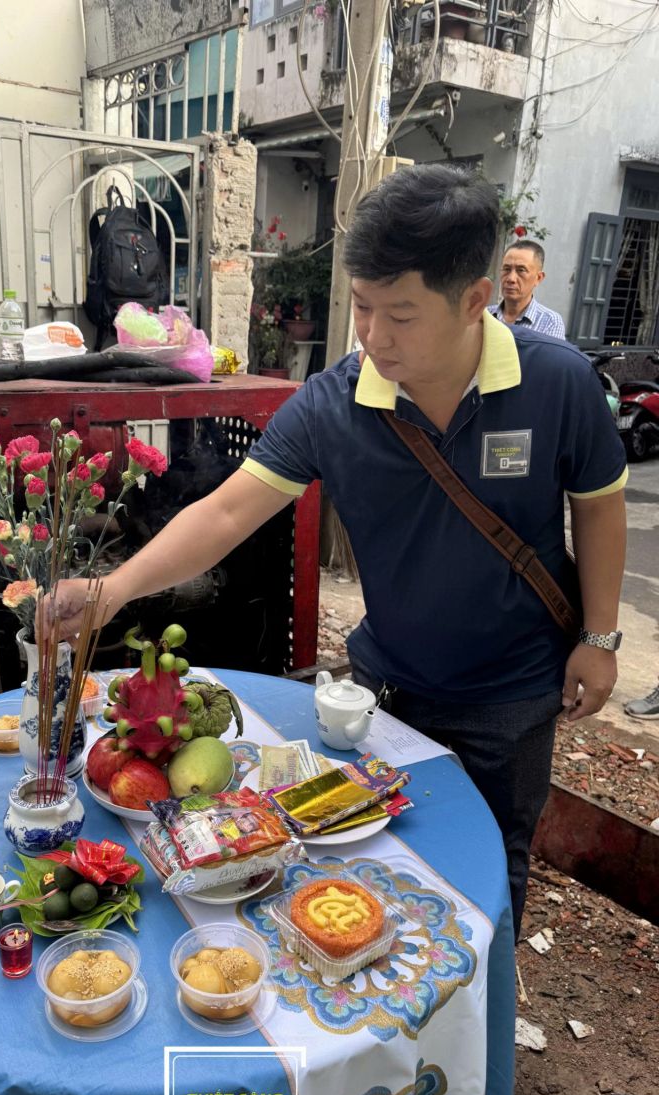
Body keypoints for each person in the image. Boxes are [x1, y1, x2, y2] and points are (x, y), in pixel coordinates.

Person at [51, 164, 627, 939]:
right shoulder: (335, 403)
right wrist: (111, 590)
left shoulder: (557, 383)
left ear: (474, 300)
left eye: (401, 314)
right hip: (387, 689)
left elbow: (600, 506)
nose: (374, 336)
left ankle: (480, 1000)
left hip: (513, 690)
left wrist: (599, 636)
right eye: (362, 306)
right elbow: (226, 513)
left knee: (494, 860)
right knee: (376, 859)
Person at [489, 239, 566, 339]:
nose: (511, 279)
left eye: (521, 270)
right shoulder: (485, 315)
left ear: (538, 278)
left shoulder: (550, 323)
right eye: (506, 269)